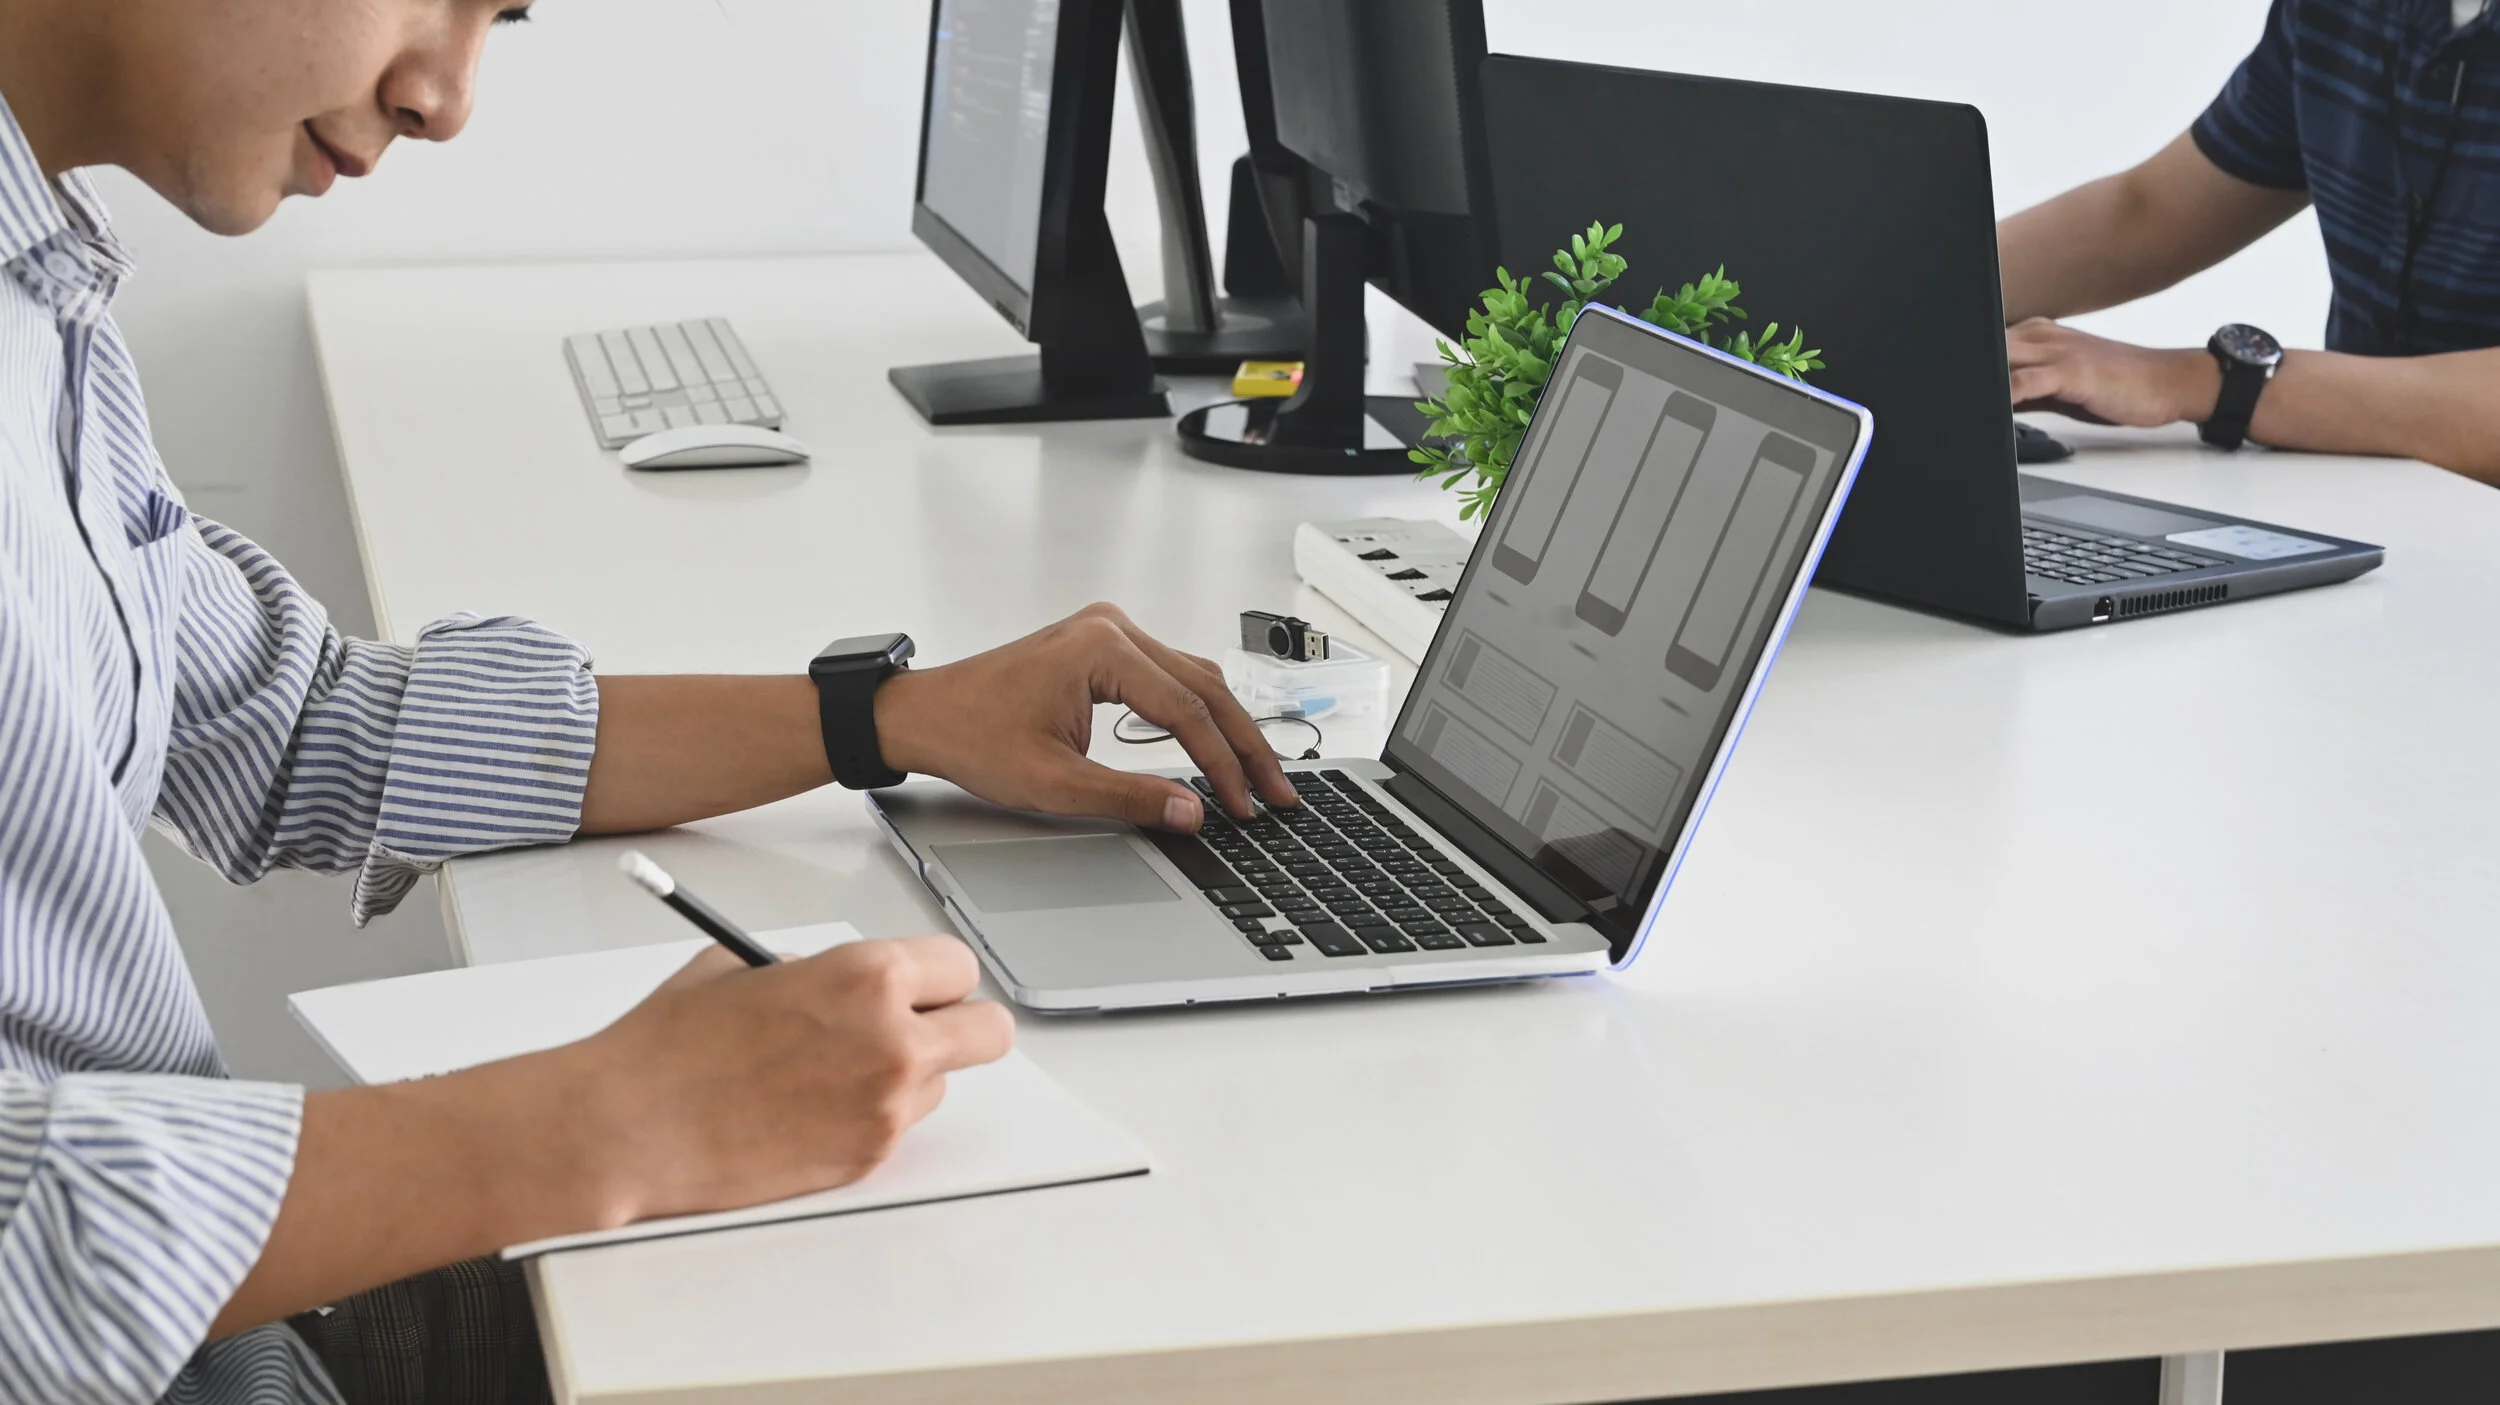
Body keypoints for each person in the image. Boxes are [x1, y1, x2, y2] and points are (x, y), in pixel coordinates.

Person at [0, 2, 1301, 1401]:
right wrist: (614, 1118)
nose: (447, 98)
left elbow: (292, 728)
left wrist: (884, 716)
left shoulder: (40, 290)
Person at [1997, 0, 2500, 482]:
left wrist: (2191, 381)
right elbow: (2147, 213)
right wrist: (1949, 296)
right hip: (2370, 501)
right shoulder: (2339, 10)